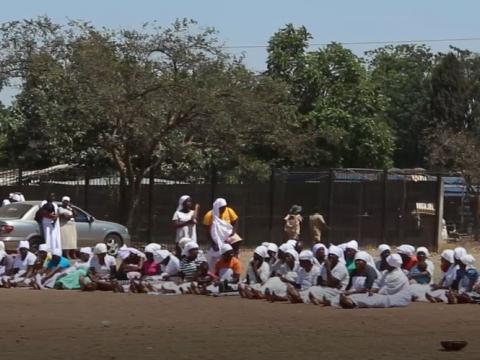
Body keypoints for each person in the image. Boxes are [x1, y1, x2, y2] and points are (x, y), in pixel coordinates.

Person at [339, 254, 411, 309]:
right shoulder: (386, 272)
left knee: (377, 299)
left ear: (390, 264)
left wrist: (374, 291)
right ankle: (352, 299)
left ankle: (353, 302)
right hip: (384, 294)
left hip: (397, 298)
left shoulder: (397, 275)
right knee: (369, 296)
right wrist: (373, 289)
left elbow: (386, 291)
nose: (385, 263)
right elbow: (379, 284)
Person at [203, 198, 239, 272]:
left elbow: (236, 220)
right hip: (216, 239)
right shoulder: (209, 215)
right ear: (217, 207)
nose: (224, 209)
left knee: (236, 242)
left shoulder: (229, 210)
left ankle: (234, 265)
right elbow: (206, 230)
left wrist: (233, 232)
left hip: (228, 236)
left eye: (224, 207)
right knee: (215, 256)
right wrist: (213, 243)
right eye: (221, 208)